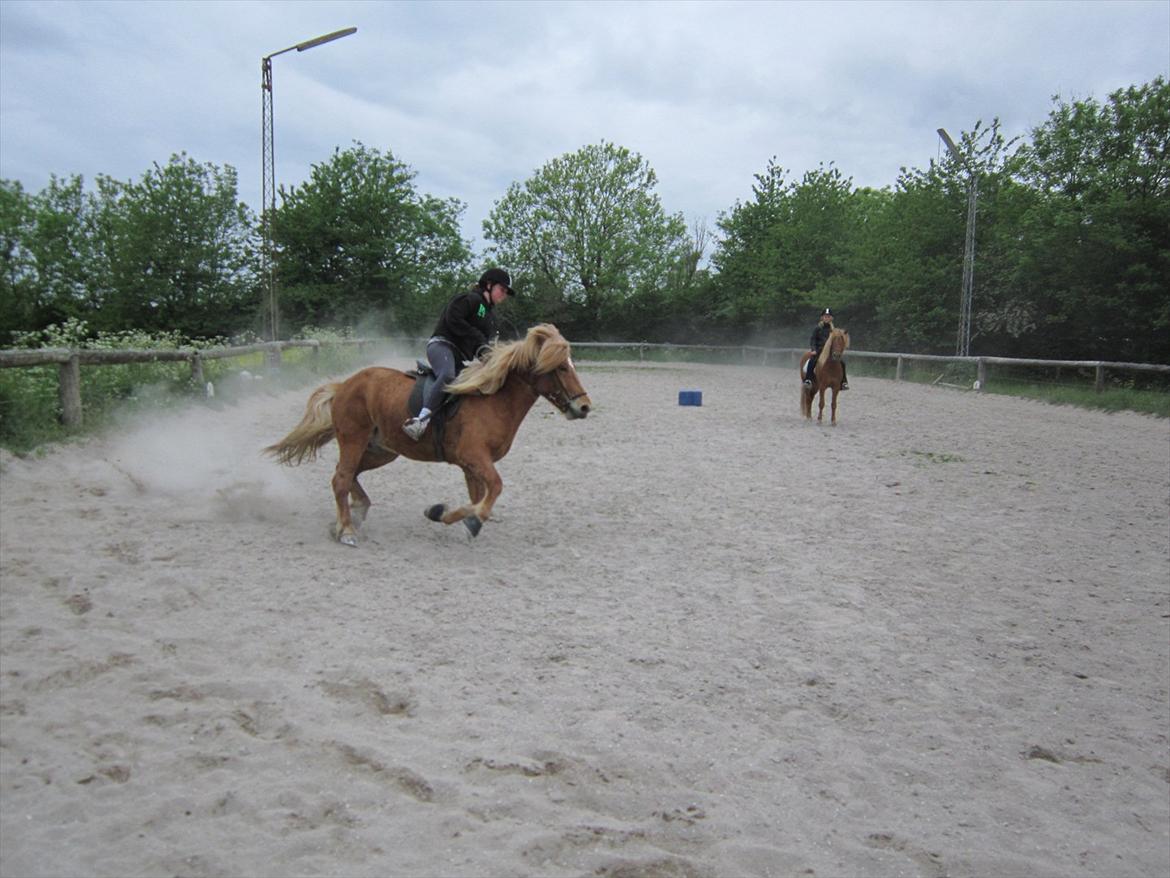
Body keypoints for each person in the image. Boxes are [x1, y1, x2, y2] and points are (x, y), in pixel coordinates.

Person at [402, 268, 515, 440]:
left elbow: (479, 346)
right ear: (489, 285)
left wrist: (489, 357)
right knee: (447, 374)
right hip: (442, 345)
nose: (504, 295)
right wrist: (477, 337)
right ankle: (421, 420)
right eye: (502, 289)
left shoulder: (489, 317)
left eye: (506, 292)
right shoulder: (470, 299)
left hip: (460, 357)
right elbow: (452, 318)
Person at [804, 308, 848, 390]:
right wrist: (813, 349)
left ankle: (843, 381)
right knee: (812, 361)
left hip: (830, 351)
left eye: (828, 317)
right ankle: (808, 379)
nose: (826, 318)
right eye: (825, 316)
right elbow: (813, 339)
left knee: (842, 362)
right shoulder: (818, 328)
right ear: (822, 318)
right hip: (819, 349)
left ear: (831, 318)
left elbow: (837, 341)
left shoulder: (834, 330)